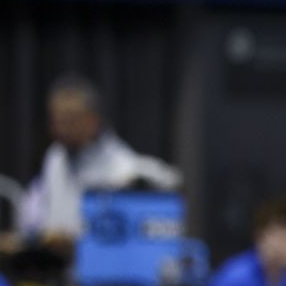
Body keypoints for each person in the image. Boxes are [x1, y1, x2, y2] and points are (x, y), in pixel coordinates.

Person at [18, 75, 180, 247]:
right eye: (56, 121)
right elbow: (39, 216)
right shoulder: (55, 156)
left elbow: (168, 180)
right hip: (55, 263)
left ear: (93, 119)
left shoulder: (123, 168)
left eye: (69, 120)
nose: (61, 129)